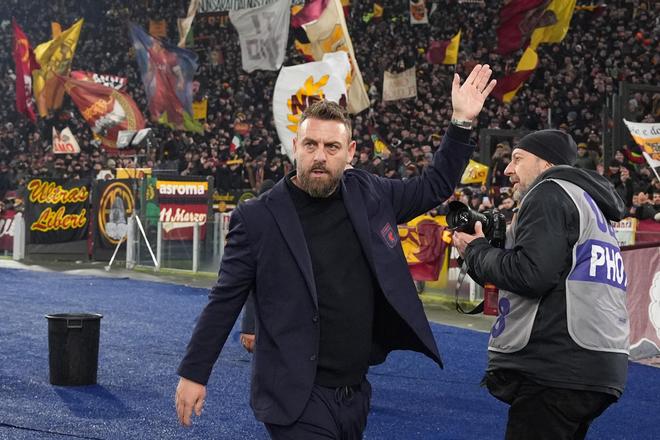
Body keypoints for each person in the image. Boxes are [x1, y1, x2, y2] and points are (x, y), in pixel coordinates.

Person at [174, 64, 496, 438]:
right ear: (295, 147)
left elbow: (434, 185)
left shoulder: (371, 194)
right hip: (294, 396)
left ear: (350, 152)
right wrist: (194, 372)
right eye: (310, 145)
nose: (320, 156)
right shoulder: (256, 217)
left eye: (332, 147)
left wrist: (460, 122)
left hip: (354, 392)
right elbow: (224, 299)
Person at [452, 129, 629, 440]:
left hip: (556, 362)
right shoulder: (588, 202)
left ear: (547, 164)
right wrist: (488, 252)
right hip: (595, 358)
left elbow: (531, 275)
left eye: (518, 159)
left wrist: (477, 250)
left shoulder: (549, 192)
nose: (508, 169)